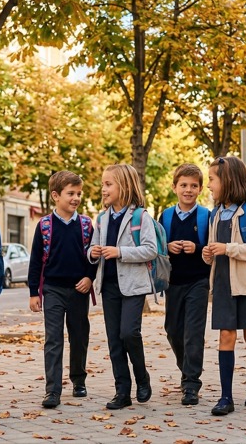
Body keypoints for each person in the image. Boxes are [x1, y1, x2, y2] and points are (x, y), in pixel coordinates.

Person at [201, 156, 246, 416]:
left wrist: (228, 248)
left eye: (212, 179)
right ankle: (226, 397)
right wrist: (208, 254)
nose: (208, 185)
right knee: (226, 336)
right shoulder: (216, 213)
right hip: (222, 284)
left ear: (228, 180)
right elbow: (212, 246)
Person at [89, 164, 158, 410]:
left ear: (124, 186)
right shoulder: (101, 218)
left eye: (109, 184)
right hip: (108, 285)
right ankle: (122, 391)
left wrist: (120, 252)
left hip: (133, 286)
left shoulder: (141, 216)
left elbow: (151, 249)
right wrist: (93, 252)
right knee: (114, 341)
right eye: (103, 184)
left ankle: (142, 378)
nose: (103, 189)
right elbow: (92, 249)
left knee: (129, 333)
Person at [27, 171, 97, 409]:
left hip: (79, 290)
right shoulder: (45, 225)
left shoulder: (86, 225)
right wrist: (33, 292)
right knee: (53, 340)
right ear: (56, 196)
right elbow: (36, 259)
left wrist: (90, 277)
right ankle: (53, 390)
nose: (76, 198)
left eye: (78, 193)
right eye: (71, 193)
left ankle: (79, 380)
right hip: (53, 289)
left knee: (79, 337)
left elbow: (94, 257)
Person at [160, 164, 211, 406]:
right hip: (173, 282)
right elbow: (157, 248)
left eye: (193, 186)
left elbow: (213, 249)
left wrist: (198, 249)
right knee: (173, 330)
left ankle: (191, 384)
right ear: (174, 187)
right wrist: (168, 247)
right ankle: (186, 368)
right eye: (183, 185)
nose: (188, 190)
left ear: (200, 189)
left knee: (194, 333)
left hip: (198, 282)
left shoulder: (206, 216)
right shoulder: (165, 216)